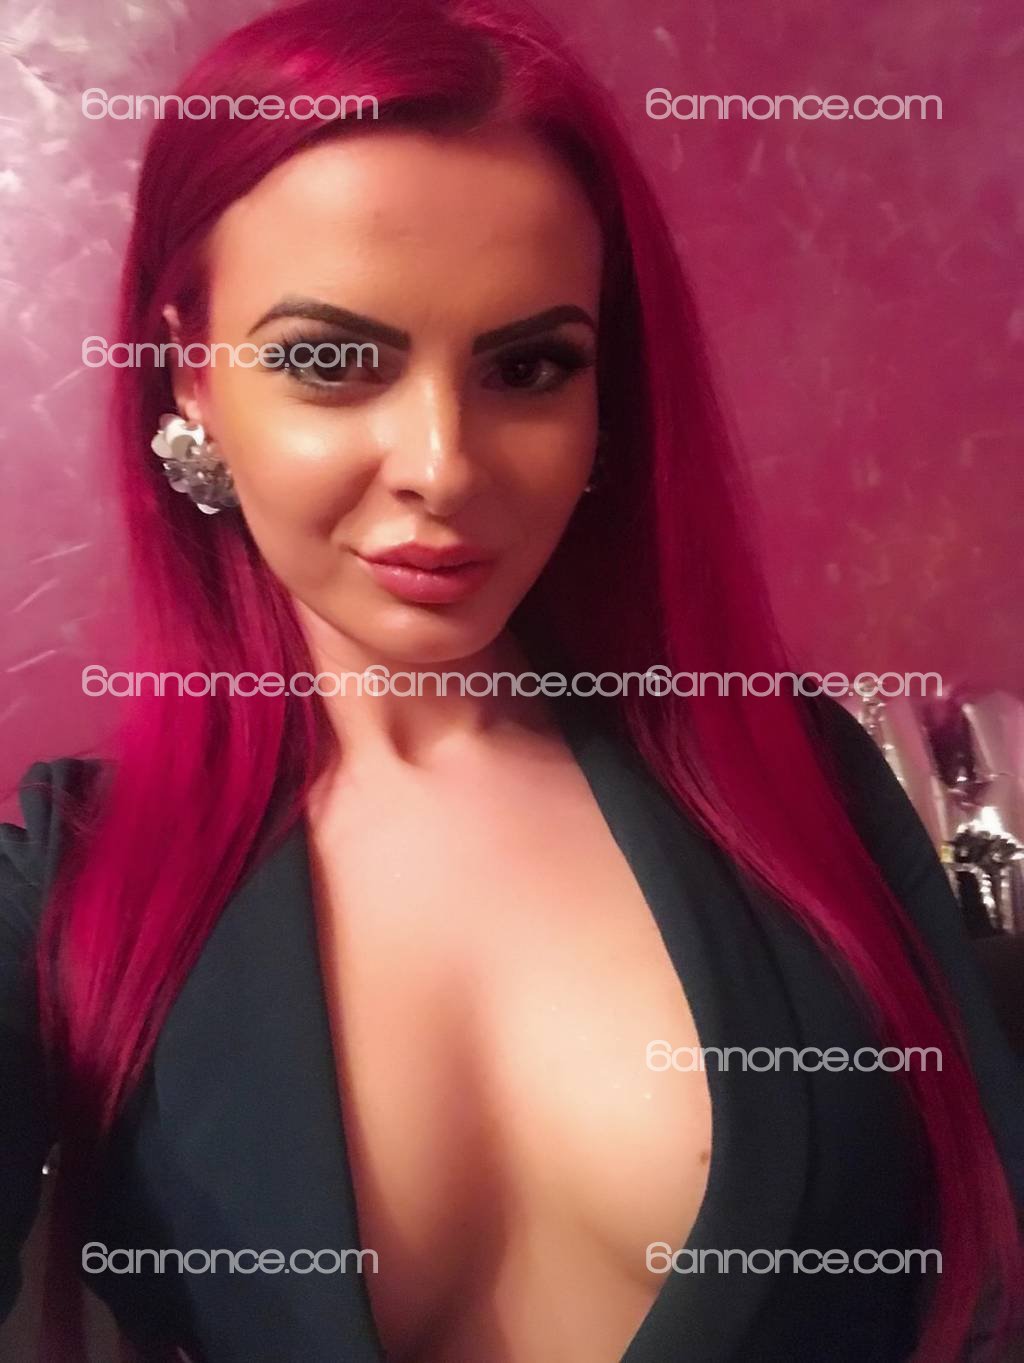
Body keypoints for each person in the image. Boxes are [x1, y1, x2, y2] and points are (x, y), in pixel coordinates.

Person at [1, 1, 1022, 1360]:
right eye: (331, 361)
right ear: (189, 369)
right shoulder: (74, 888)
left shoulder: (791, 781)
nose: (444, 465)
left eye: (528, 367)